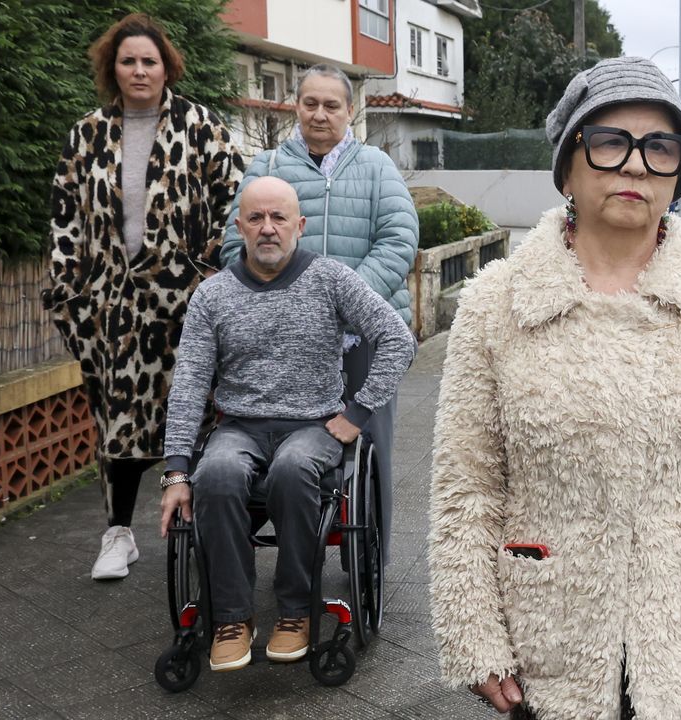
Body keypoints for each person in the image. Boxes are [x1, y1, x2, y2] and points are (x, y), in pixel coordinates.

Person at [428, 57, 681, 720]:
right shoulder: (498, 304)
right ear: (568, 166)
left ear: (680, 171)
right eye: (612, 142)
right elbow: (466, 486)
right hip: (547, 646)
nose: (637, 166)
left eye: (660, 147)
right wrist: (475, 637)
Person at [158, 176, 415, 672]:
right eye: (256, 218)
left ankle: (295, 611)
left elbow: (397, 339)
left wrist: (358, 413)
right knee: (215, 474)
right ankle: (233, 618)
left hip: (312, 425)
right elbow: (189, 383)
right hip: (240, 425)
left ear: (299, 226)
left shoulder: (331, 279)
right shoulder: (213, 296)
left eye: (279, 218)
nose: (268, 229)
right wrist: (175, 472)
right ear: (240, 227)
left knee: (295, 468)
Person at [42, 12, 244, 581]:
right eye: (127, 60)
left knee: (197, 410)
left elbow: (235, 202)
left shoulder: (201, 126)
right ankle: (118, 533)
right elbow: (63, 221)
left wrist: (212, 274)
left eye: (148, 61)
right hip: (110, 305)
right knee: (117, 416)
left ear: (166, 67)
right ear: (112, 67)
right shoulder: (86, 135)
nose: (138, 70)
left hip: (186, 301)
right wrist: (69, 294)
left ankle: (203, 523)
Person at [220, 63, 418, 570]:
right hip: (285, 342)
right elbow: (231, 247)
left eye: (333, 105)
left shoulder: (377, 167)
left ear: (350, 112)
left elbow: (398, 241)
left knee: (369, 442)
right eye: (311, 103)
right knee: (288, 449)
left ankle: (366, 561)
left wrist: (345, 309)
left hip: (363, 340)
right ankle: (288, 555)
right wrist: (290, 308)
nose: (321, 114)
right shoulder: (267, 167)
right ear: (295, 106)